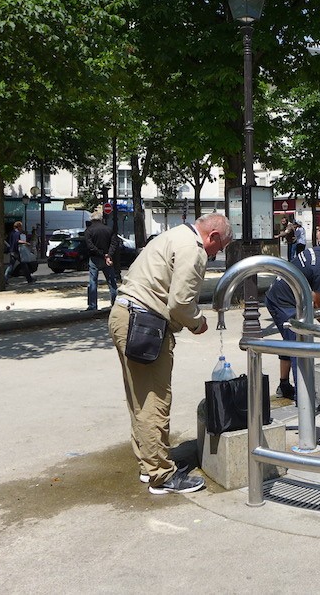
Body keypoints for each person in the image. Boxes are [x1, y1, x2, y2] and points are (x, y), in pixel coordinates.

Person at [108, 212, 232, 495]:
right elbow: (180, 304)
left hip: (126, 315)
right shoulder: (193, 248)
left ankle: (149, 465)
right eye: (219, 247)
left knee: (140, 399)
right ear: (212, 236)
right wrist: (197, 322)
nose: (217, 254)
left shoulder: (174, 235)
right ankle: (162, 476)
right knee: (155, 400)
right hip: (145, 323)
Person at [264, 242, 320, 399]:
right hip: (285, 304)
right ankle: (303, 398)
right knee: (299, 347)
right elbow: (317, 306)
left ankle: (284, 385)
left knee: (289, 342)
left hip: (275, 295)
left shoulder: (318, 252)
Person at [84, 215, 119, 312]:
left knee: (93, 282)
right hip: (107, 259)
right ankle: (115, 304)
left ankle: (92, 305)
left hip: (95, 258)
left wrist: (102, 254)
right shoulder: (108, 229)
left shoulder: (89, 231)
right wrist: (108, 255)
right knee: (112, 282)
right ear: (101, 219)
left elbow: (90, 246)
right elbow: (114, 243)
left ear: (91, 220)